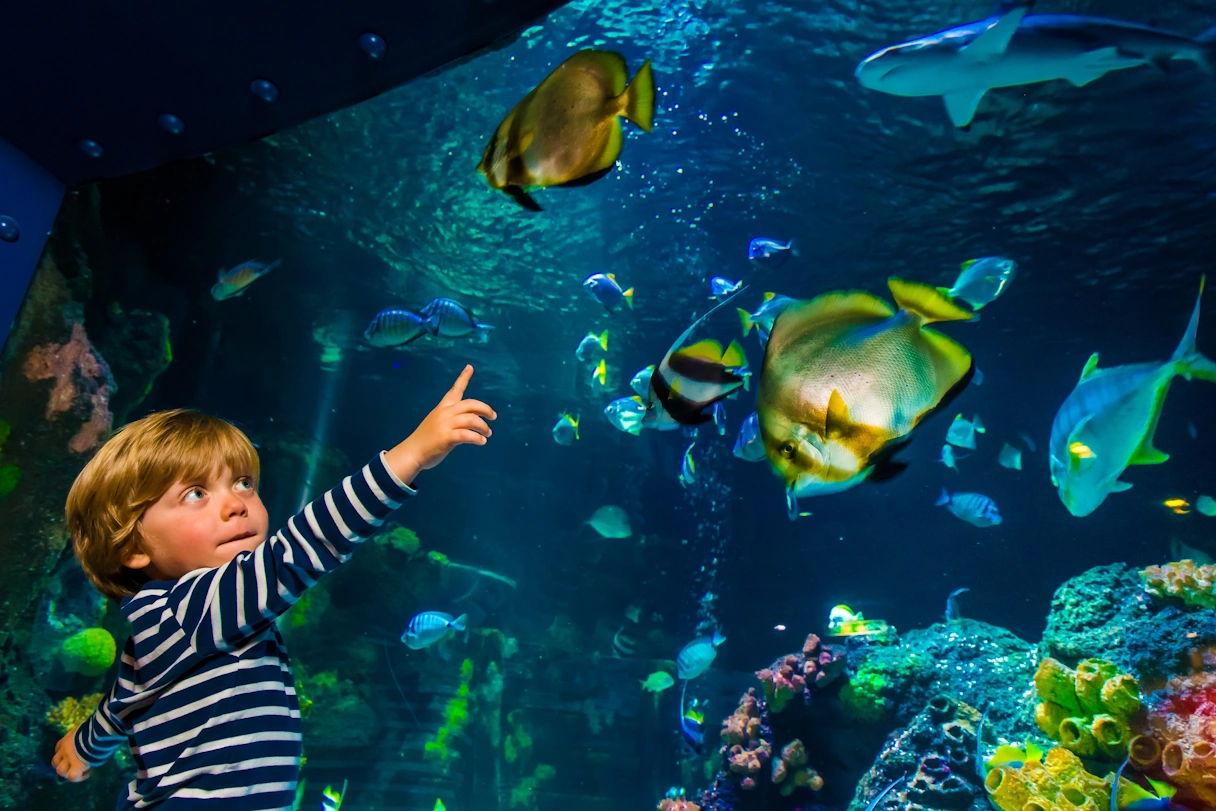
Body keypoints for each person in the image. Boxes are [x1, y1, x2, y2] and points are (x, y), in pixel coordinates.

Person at [50, 365, 496, 809]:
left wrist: (82, 745)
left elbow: (121, 705)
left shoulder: (159, 628)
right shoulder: (197, 605)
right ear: (132, 548)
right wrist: (410, 455)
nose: (235, 505)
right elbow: (301, 549)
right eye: (195, 494)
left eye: (244, 483)